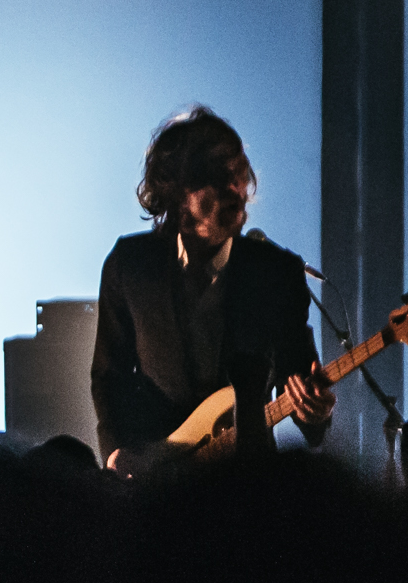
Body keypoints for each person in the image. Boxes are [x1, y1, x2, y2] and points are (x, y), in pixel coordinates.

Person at [89, 107, 333, 471]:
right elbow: (110, 376)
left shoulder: (276, 272)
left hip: (247, 483)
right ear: (177, 190)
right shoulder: (130, 264)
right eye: (218, 177)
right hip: (155, 482)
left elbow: (297, 379)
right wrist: (115, 452)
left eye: (240, 174)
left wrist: (314, 413)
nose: (235, 190)